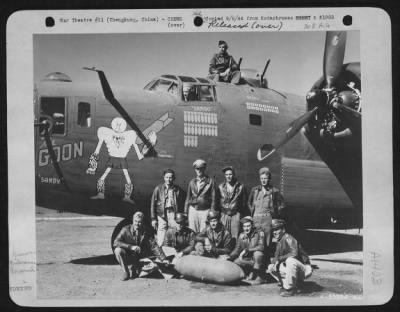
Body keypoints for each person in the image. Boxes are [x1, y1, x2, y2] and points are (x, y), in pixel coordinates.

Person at [113, 211, 168, 281]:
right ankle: (126, 272)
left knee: (154, 266)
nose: (137, 224)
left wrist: (163, 258)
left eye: (140, 222)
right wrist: (130, 247)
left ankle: (136, 269)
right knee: (118, 250)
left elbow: (154, 246)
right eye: (135, 221)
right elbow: (116, 242)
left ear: (142, 222)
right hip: (129, 256)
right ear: (132, 220)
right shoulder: (125, 229)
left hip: (141, 259)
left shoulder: (146, 231)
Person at [267, 219, 312, 296]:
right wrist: (273, 264)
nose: (275, 232)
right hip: (294, 268)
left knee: (290, 260)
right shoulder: (279, 241)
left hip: (304, 268)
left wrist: (280, 259)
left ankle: (290, 289)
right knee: (271, 266)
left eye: (277, 229)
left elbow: (294, 253)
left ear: (283, 230)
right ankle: (290, 283)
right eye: (273, 230)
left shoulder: (288, 238)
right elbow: (276, 257)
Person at [247, 167, 285, 248]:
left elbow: (282, 204)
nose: (263, 180)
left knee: (267, 239)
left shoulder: (274, 191)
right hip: (256, 219)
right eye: (262, 178)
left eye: (265, 178)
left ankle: (266, 257)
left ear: (269, 179)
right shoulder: (255, 190)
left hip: (267, 219)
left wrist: (275, 215)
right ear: (260, 179)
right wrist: (252, 212)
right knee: (256, 238)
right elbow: (249, 202)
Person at [150, 168, 185, 246]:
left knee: (173, 233)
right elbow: (153, 204)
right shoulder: (158, 189)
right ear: (164, 178)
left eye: (170, 177)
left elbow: (181, 204)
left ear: (173, 178)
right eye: (167, 177)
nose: (168, 179)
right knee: (161, 236)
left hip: (173, 214)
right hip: (162, 214)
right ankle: (160, 254)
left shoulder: (177, 190)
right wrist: (153, 219)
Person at [228, 216, 265, 285]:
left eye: (248, 226)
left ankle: (260, 277)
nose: (246, 228)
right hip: (249, 259)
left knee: (258, 254)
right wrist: (229, 257)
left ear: (252, 225)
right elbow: (237, 249)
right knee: (236, 261)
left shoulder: (260, 233)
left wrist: (247, 250)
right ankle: (250, 272)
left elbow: (261, 247)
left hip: (259, 259)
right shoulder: (241, 236)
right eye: (244, 227)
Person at [184, 159, 217, 232]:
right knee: (192, 231)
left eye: (201, 169)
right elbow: (188, 198)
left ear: (204, 169)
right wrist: (185, 212)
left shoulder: (211, 182)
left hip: (205, 211)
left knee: (204, 231)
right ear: (195, 170)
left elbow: (214, 199)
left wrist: (211, 212)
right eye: (197, 169)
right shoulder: (192, 182)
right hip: (193, 210)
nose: (199, 171)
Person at [218, 166, 248, 239]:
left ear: (234, 175)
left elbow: (244, 203)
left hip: (236, 215)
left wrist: (240, 215)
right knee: (224, 236)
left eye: (230, 174)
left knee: (236, 236)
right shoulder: (220, 187)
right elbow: (217, 202)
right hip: (224, 215)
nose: (229, 176)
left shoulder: (241, 187)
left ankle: (236, 250)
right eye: (227, 175)